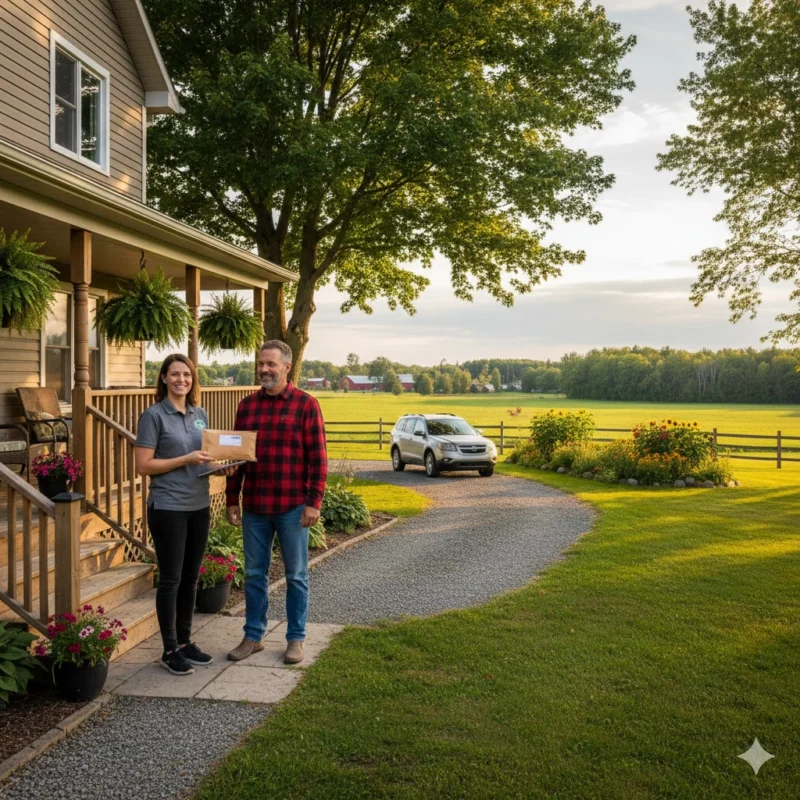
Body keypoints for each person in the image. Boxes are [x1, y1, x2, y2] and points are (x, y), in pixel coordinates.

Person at [225, 340, 327, 665]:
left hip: (293, 506)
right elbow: (236, 457)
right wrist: (231, 498)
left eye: (271, 364)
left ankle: (295, 639)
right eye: (261, 363)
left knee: (297, 575)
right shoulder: (246, 407)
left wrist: (314, 503)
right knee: (255, 574)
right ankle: (253, 635)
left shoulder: (306, 405)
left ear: (286, 367)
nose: (265, 369)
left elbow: (318, 459)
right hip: (255, 505)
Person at [135, 354, 223, 676]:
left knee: (191, 577)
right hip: (168, 507)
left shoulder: (200, 414)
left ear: (192, 379)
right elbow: (143, 465)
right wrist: (185, 458)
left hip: (198, 505)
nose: (181, 380)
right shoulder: (153, 416)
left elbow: (205, 458)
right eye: (174, 374)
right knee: (171, 579)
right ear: (163, 378)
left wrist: (225, 465)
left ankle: (185, 643)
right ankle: (169, 648)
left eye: (186, 374)